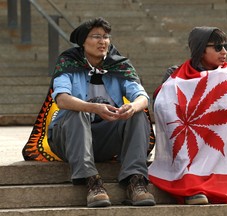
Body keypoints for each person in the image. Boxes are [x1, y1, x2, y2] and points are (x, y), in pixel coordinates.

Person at [24, 17, 156, 207]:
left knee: (137, 114)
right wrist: (93, 107)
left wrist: (132, 106)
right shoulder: (68, 62)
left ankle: (135, 182)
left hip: (104, 138)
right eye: (96, 36)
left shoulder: (119, 65)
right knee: (78, 112)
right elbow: (61, 99)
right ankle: (92, 182)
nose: (103, 41)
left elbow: (142, 97)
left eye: (106, 37)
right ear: (83, 41)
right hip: (68, 137)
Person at [148, 26, 227, 205]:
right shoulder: (175, 74)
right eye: (218, 47)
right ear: (200, 48)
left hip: (223, 135)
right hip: (193, 135)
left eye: (226, 46)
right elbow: (161, 101)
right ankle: (189, 182)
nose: (224, 52)